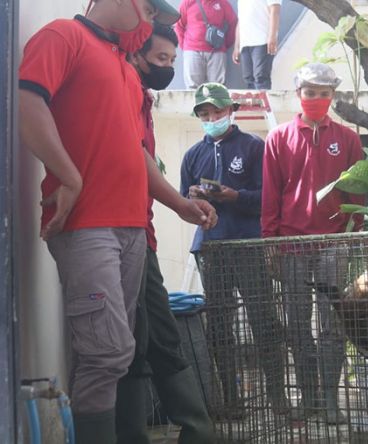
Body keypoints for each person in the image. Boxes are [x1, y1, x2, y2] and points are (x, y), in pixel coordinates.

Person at [18, 0, 217, 442]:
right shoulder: (62, 37)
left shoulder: (126, 71)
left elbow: (136, 150)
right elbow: (27, 101)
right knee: (106, 351)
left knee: (116, 353)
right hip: (89, 225)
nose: (151, 20)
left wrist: (179, 205)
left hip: (130, 229)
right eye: (149, 9)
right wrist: (68, 175)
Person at [116, 24, 215, 444]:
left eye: (173, 60)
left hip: (142, 233)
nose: (168, 68)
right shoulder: (122, 90)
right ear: (135, 55)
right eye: (161, 60)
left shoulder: (142, 99)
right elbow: (138, 159)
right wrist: (182, 205)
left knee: (155, 334)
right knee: (133, 342)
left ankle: (197, 431)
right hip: (121, 234)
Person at [261, 63, 364, 423]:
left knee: (331, 325)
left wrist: (354, 231)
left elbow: (359, 190)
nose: (317, 99)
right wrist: (270, 241)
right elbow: (271, 194)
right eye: (310, 92)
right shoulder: (279, 138)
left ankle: (331, 399)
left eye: (324, 93)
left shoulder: (349, 138)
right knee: (298, 326)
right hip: (291, 244)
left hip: (334, 242)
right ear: (298, 94)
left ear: (332, 96)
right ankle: (310, 399)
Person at [180, 82, 290, 416]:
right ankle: (230, 398)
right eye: (205, 113)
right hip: (211, 248)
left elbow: (269, 199)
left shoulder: (254, 147)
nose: (211, 118)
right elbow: (185, 200)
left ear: (231, 111)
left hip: (248, 244)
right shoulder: (192, 155)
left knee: (263, 319)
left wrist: (235, 197)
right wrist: (197, 199)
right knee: (219, 324)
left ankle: (278, 397)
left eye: (217, 112)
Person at [176, 0, 237, 89]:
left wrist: (224, 44)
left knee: (217, 89)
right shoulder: (187, 2)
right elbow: (179, 26)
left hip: (217, 52)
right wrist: (185, 46)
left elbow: (233, 22)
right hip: (192, 51)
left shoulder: (222, 3)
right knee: (192, 89)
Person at [232, 0, 281, 90]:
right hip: (245, 43)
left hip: (262, 41)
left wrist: (272, 36)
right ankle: (253, 104)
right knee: (248, 78)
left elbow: (275, 11)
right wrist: (237, 46)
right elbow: (240, 21)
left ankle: (263, 104)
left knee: (261, 77)